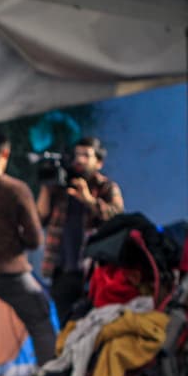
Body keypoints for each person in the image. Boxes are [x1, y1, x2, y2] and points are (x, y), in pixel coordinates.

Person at [0, 129, 55, 363]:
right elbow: (35, 239)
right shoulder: (16, 190)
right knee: (40, 321)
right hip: (12, 271)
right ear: (5, 154)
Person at [37, 136, 124, 321]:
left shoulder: (106, 187)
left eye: (86, 155)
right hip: (62, 271)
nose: (80, 160)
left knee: (94, 321)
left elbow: (118, 217)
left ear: (98, 162)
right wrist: (46, 186)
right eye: (77, 154)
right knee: (64, 324)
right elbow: (39, 219)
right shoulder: (62, 187)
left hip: (93, 271)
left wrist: (89, 200)